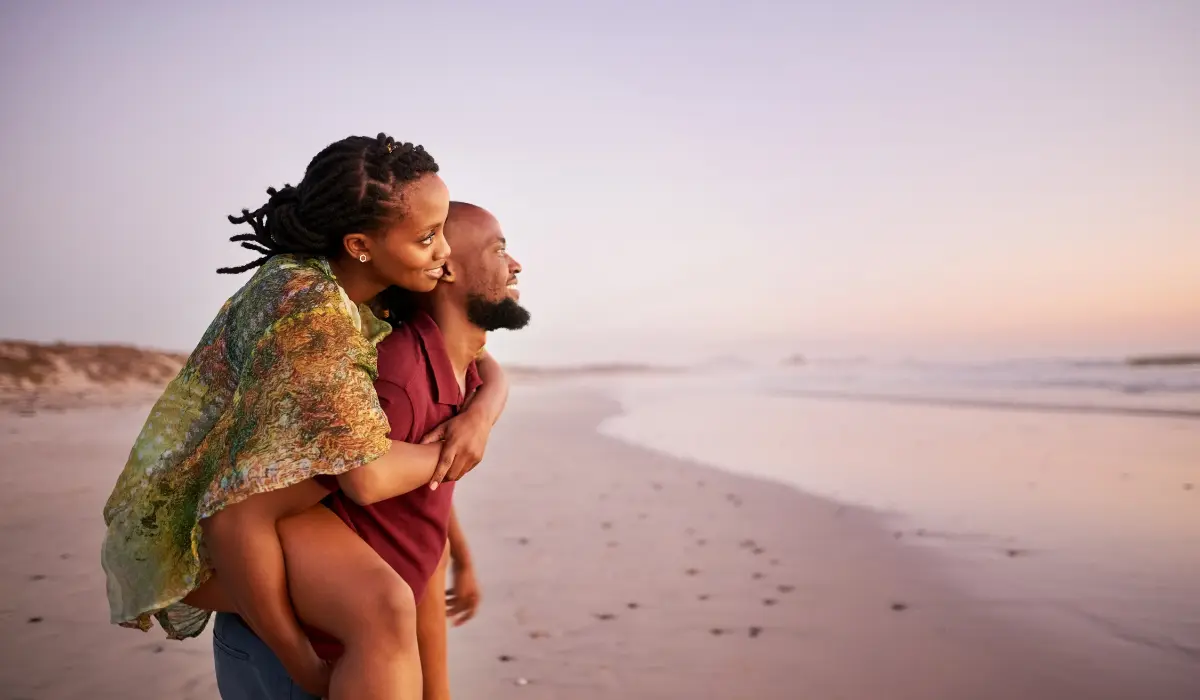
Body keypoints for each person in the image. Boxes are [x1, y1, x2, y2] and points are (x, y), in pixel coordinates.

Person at [101, 136, 510, 700]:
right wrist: (303, 665)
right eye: (426, 237)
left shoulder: (369, 282)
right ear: (360, 244)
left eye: (441, 230)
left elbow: (484, 363)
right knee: (382, 603)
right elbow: (346, 483)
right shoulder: (309, 310)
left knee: (386, 596)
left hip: (260, 506)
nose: (443, 251)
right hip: (199, 521)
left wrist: (479, 417)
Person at [200, 202, 528, 700]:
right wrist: (303, 662)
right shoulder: (395, 381)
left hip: (361, 650)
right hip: (302, 658)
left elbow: (418, 524)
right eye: (499, 249)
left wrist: (480, 420)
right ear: (447, 268)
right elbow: (246, 512)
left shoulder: (462, 367)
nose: (516, 264)